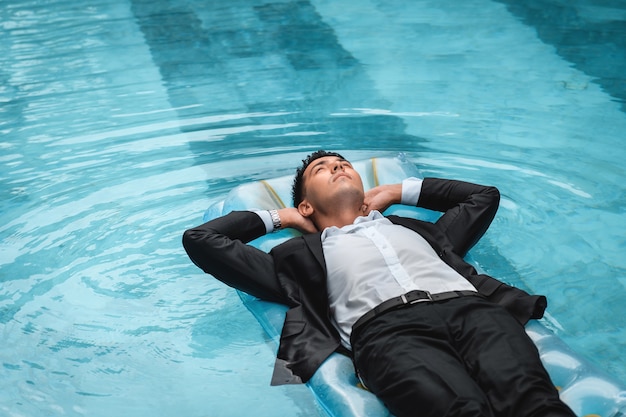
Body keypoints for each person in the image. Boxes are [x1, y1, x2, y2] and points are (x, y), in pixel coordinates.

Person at [182, 150, 576, 417]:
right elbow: (201, 240)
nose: (337, 167)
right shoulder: (296, 259)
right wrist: (282, 217)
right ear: (306, 205)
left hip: (474, 312)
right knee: (459, 410)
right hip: (389, 334)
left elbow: (483, 197)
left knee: (534, 402)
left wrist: (395, 191)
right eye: (322, 169)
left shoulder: (419, 231)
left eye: (343, 164)